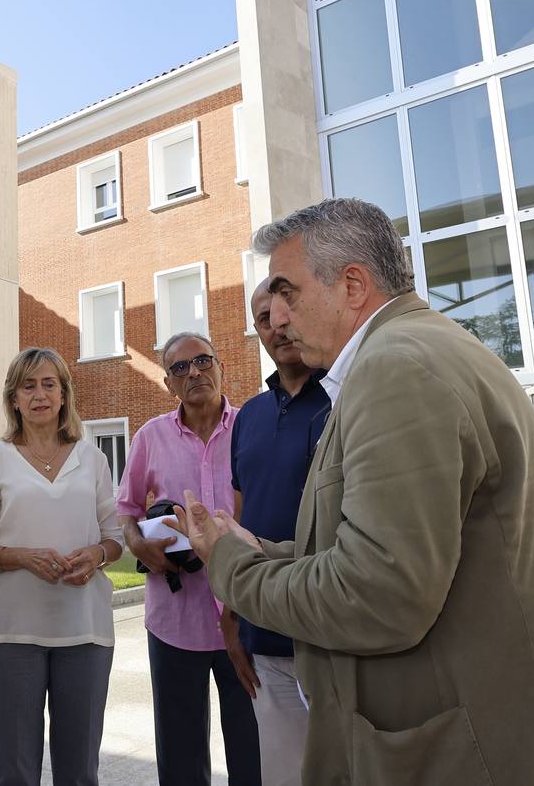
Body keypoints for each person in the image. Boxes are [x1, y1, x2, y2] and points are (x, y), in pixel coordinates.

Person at [172, 198, 534, 785]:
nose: (276, 317)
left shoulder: (395, 368)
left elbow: (375, 595)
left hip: (477, 750)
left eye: (287, 292)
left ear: (352, 285)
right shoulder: (421, 349)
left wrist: (232, 566)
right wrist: (256, 550)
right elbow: (375, 552)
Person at [0, 347, 124, 786]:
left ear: (64, 394)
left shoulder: (93, 459)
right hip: (11, 634)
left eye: (49, 384)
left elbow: (116, 539)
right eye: (27, 385)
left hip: (85, 630)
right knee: (15, 771)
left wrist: (97, 555)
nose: (39, 394)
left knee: (79, 770)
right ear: (13, 399)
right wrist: (22, 557)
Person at [119, 332, 259, 786]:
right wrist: (138, 544)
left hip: (250, 616)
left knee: (254, 755)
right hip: (175, 621)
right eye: (180, 368)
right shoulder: (149, 438)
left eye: (202, 361)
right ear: (167, 384)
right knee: (180, 761)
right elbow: (126, 509)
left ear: (220, 366)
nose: (194, 372)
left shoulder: (252, 427)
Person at [227, 280, 330, 786]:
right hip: (265, 636)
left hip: (332, 634)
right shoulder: (249, 416)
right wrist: (231, 615)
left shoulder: (342, 398)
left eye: (283, 310)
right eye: (263, 318)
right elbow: (242, 518)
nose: (277, 325)